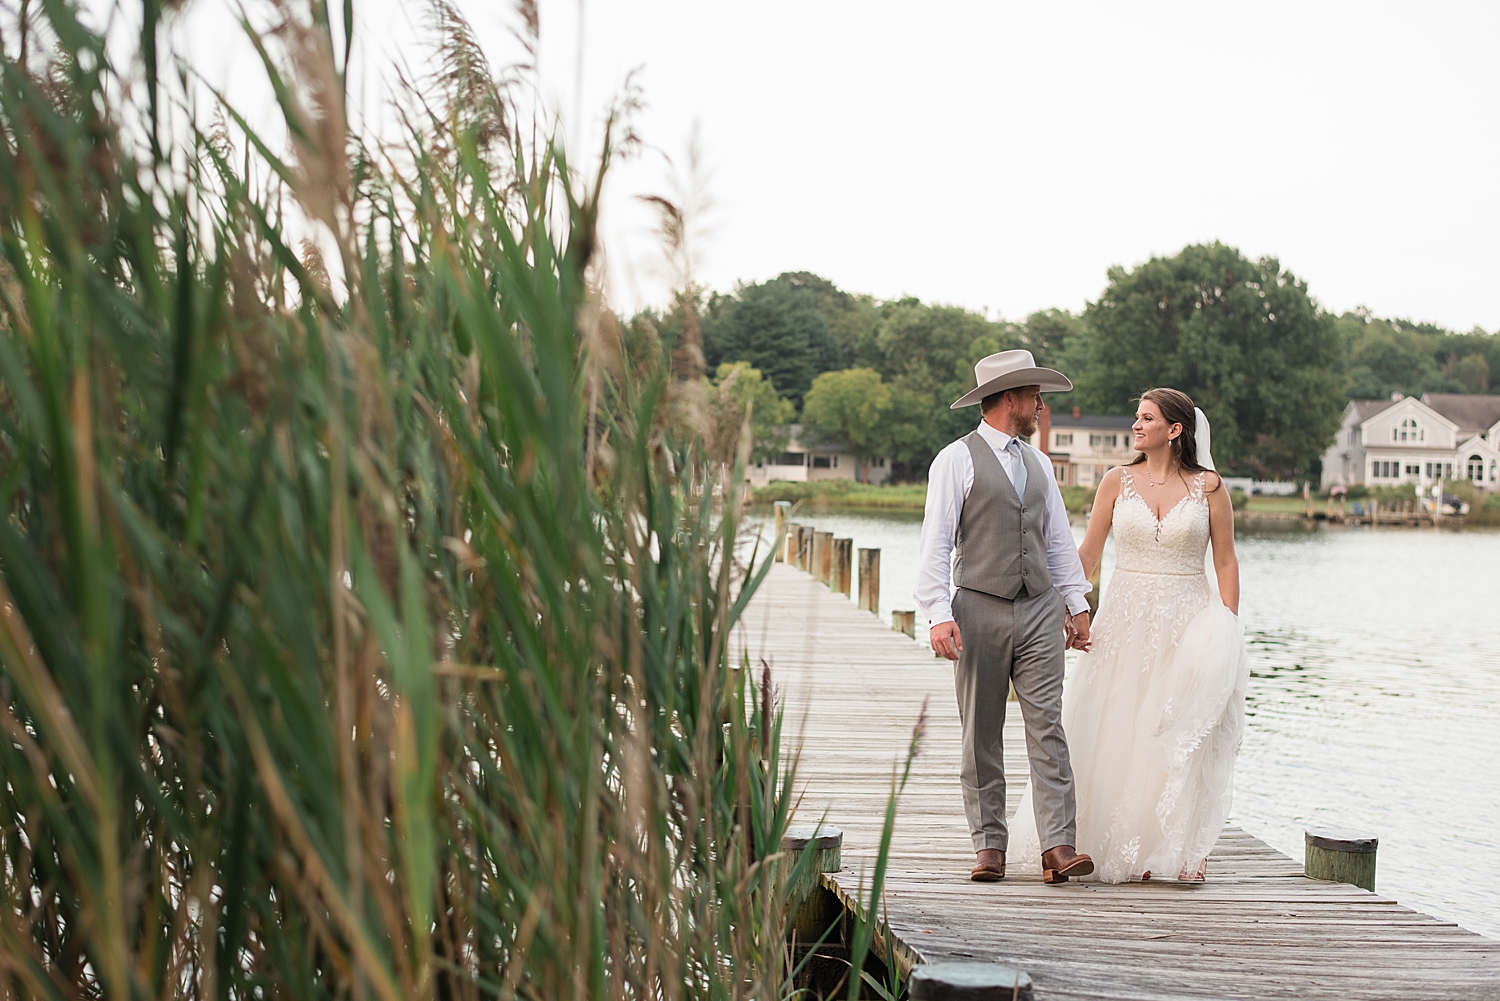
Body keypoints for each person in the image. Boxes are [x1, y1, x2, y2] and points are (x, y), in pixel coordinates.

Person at [1008, 387, 1249, 883]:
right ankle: (1094, 838)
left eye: (1147, 418)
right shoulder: (1116, 482)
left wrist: (1226, 630)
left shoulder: (1210, 487)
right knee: (1113, 723)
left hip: (1189, 621)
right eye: (1136, 417)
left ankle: (1179, 848)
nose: (1136, 426)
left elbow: (1225, 560)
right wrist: (1065, 607)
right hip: (1123, 619)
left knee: (1177, 729)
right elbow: (1089, 555)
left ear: (1175, 430)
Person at [915, 349, 1096, 885]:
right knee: (981, 732)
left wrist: (1077, 605)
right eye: (1034, 396)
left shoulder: (1039, 463)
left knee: (1048, 727)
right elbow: (936, 544)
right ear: (1010, 398)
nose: (1041, 406)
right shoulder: (956, 459)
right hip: (977, 606)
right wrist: (936, 614)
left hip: (1040, 608)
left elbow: (1058, 541)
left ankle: (1058, 846)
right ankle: (990, 845)